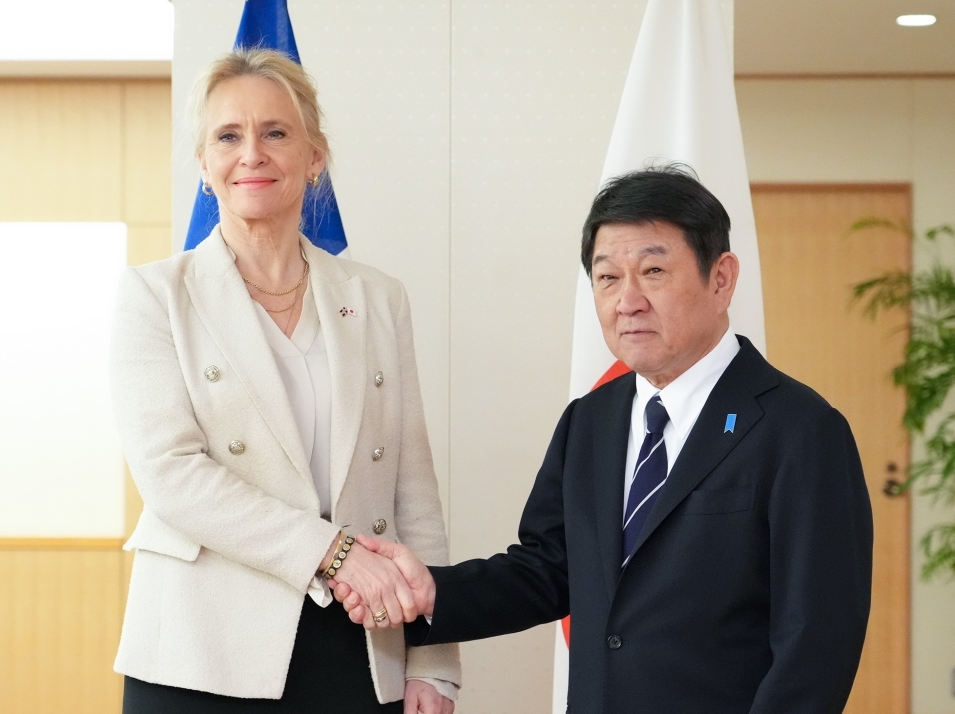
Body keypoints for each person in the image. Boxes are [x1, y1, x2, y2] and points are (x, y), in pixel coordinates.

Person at [335, 165, 874, 713]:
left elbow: (817, 644)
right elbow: (548, 569)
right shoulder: (590, 421)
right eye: (607, 277)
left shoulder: (801, 431)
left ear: (722, 278)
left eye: (654, 271)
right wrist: (434, 590)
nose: (628, 300)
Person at [109, 48, 459, 714]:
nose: (252, 153)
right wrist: (333, 551)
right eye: (228, 136)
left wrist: (436, 661)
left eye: (275, 132)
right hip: (199, 648)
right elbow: (173, 475)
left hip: (359, 639)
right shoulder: (154, 296)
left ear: (314, 155)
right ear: (205, 166)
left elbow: (412, 490)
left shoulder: (379, 298)